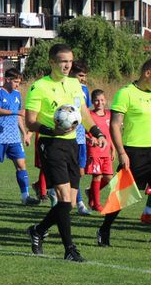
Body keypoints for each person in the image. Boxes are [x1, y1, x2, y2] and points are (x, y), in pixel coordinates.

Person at [25, 44, 106, 263]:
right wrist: (52, 129)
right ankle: (70, 249)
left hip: (72, 145)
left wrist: (97, 132)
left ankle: (38, 230)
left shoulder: (74, 84)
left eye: (69, 61)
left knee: (68, 204)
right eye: (62, 61)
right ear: (52, 62)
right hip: (51, 145)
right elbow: (30, 121)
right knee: (62, 197)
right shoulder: (39, 87)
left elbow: (84, 114)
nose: (67, 65)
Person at [98, 58, 151, 244]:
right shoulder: (126, 93)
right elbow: (114, 125)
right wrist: (121, 152)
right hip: (134, 152)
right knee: (121, 196)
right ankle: (104, 229)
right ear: (147, 73)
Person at [0, 69, 35, 205]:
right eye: (16, 82)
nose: (18, 85)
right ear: (8, 80)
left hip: (14, 138)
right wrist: (16, 112)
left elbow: (18, 117)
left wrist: (24, 134)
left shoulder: (17, 94)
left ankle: (25, 196)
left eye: (19, 82)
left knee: (21, 165)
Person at [70, 63, 93, 215]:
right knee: (74, 172)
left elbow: (86, 114)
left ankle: (70, 198)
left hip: (80, 138)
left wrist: (89, 134)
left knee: (81, 172)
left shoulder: (84, 90)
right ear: (72, 74)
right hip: (68, 137)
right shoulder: (64, 87)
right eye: (80, 76)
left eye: (84, 76)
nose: (83, 79)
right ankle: (78, 203)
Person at [85, 89, 113, 213]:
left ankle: (91, 192)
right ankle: (96, 204)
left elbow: (111, 133)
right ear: (92, 102)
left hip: (106, 151)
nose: (99, 103)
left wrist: (113, 149)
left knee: (109, 178)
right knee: (97, 176)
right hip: (95, 150)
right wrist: (90, 139)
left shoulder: (109, 114)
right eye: (96, 100)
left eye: (102, 100)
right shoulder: (89, 115)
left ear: (105, 100)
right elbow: (84, 133)